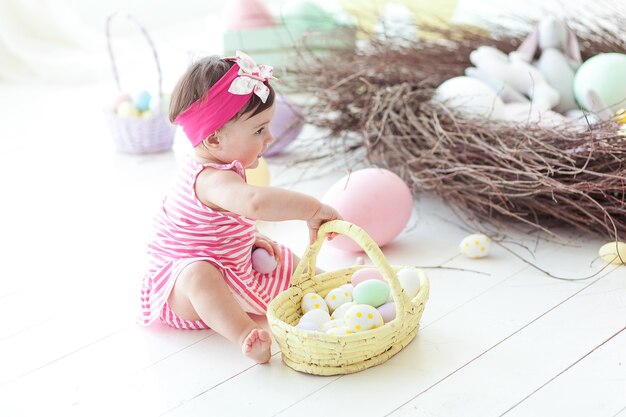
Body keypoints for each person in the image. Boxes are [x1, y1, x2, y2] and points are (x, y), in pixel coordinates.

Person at [138, 51, 341, 364]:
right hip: (182, 292)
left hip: (231, 265)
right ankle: (246, 334)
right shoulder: (209, 180)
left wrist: (248, 238)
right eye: (259, 130)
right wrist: (313, 209)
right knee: (199, 275)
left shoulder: (223, 167)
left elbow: (224, 223)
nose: (270, 138)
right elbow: (254, 203)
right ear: (216, 140)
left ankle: (333, 289)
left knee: (282, 259)